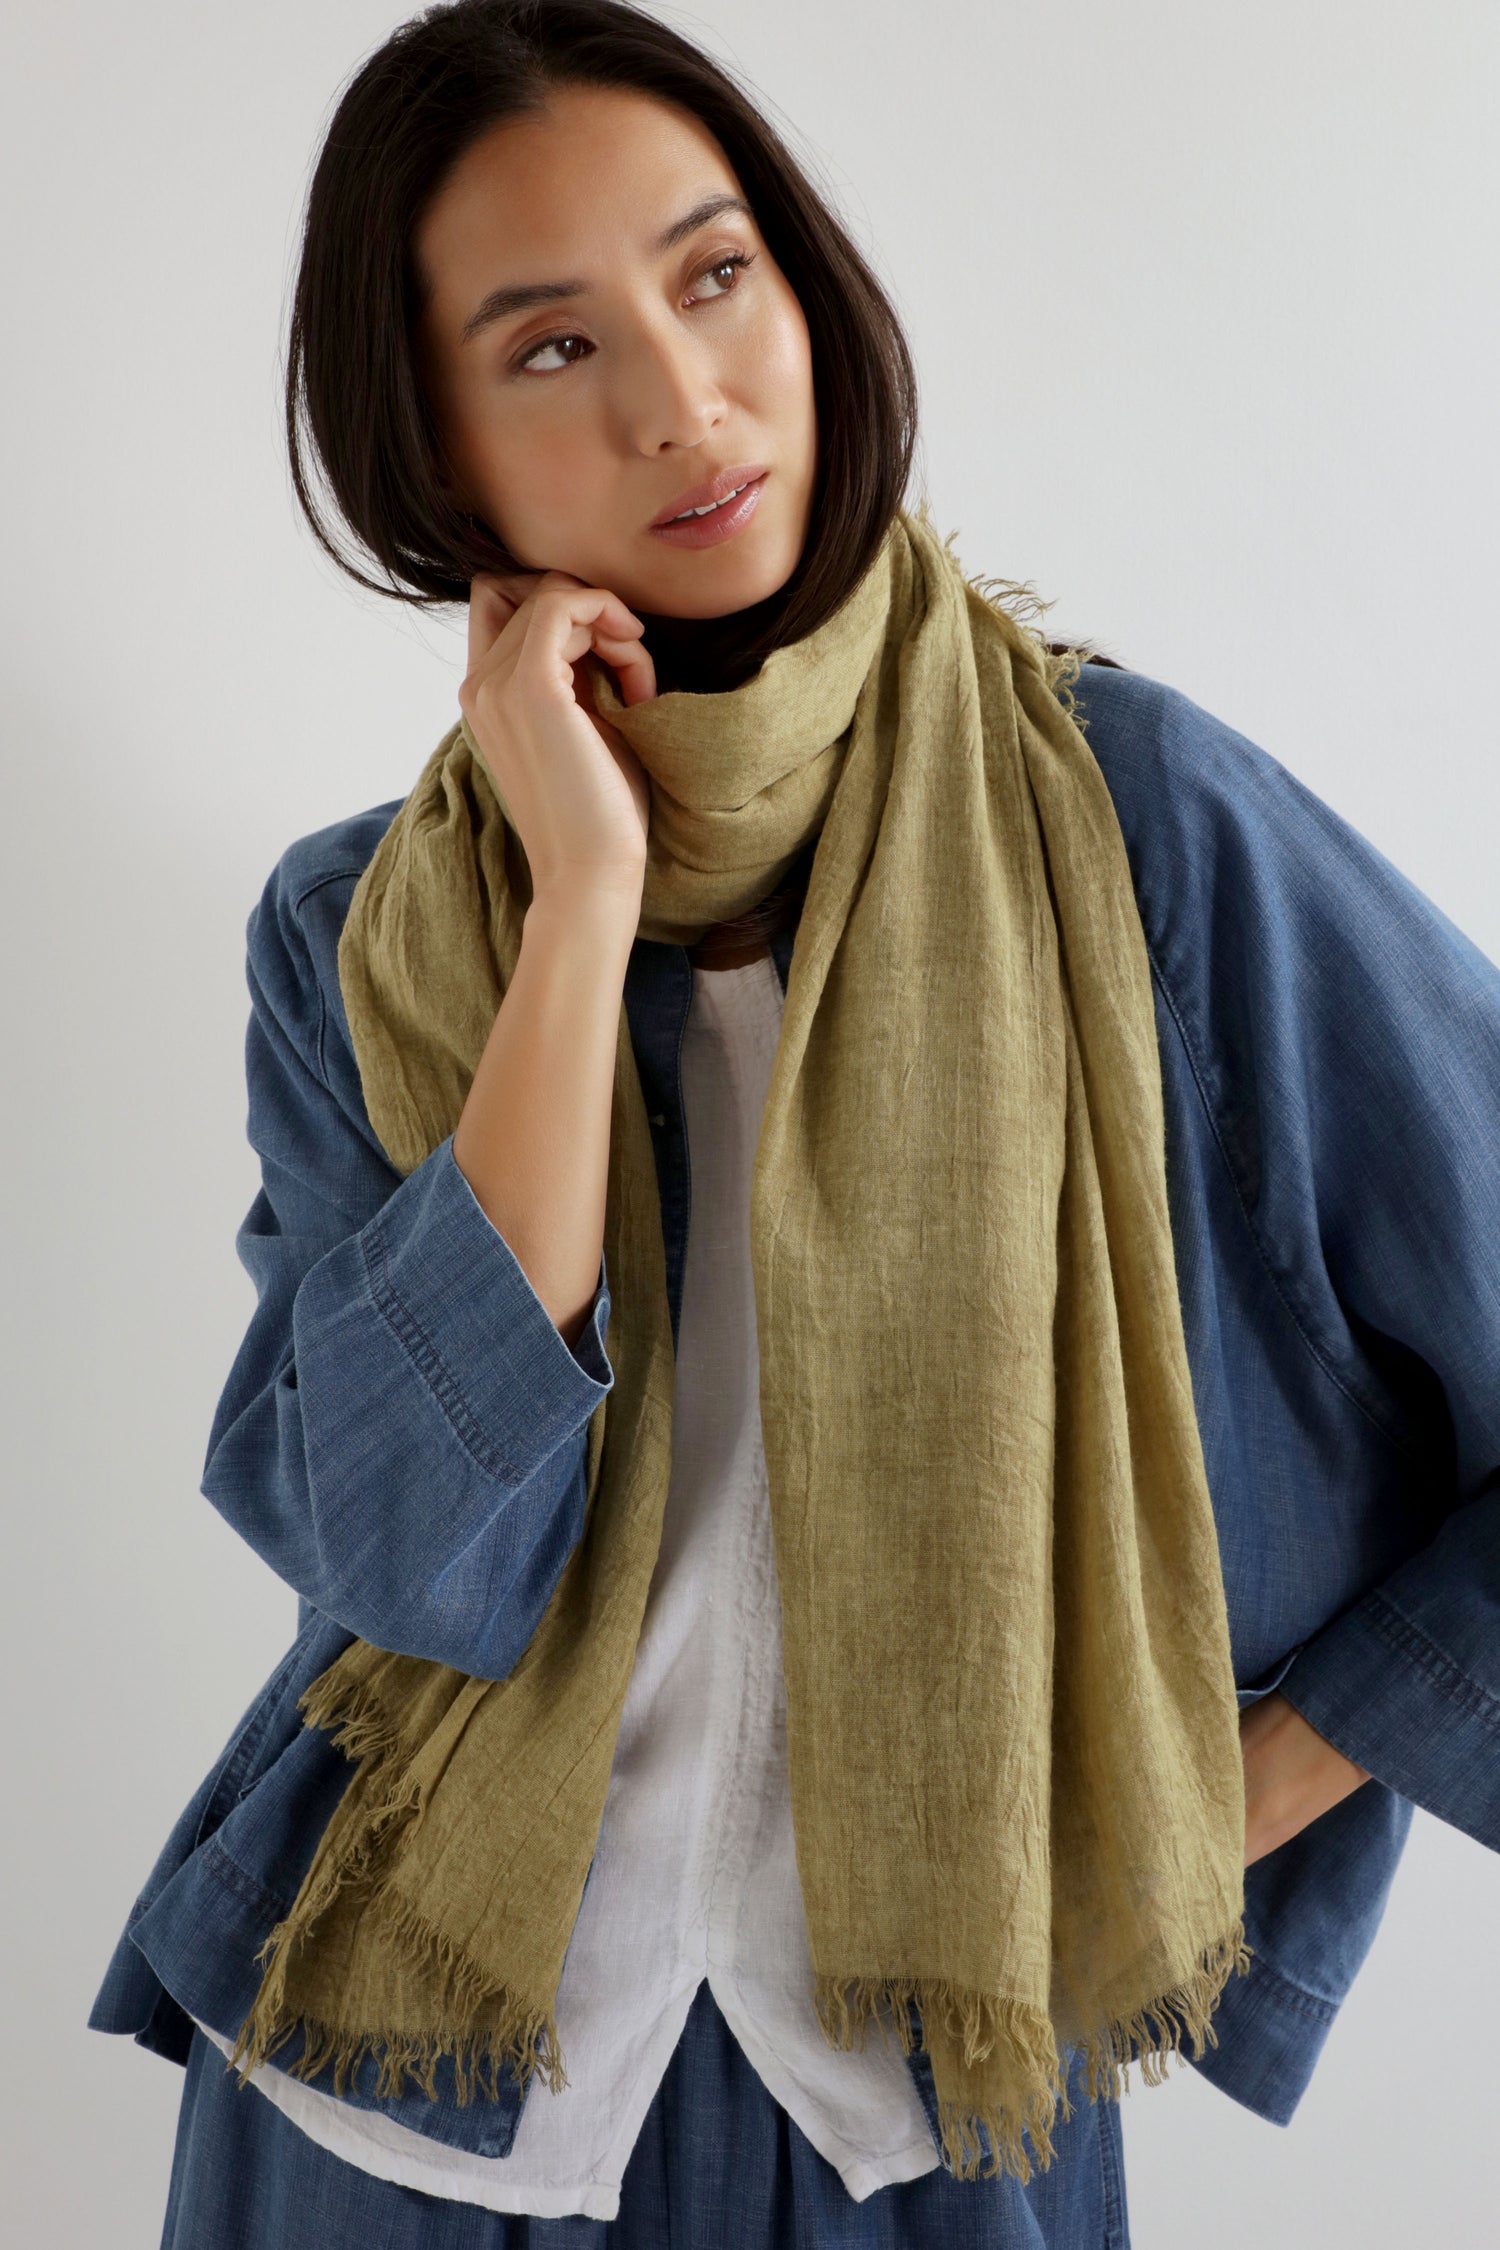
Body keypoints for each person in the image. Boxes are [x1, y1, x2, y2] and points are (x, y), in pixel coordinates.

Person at [88, 3, 1500, 2246]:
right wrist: (576, 915)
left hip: (926, 2118)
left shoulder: (1140, 835)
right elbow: (411, 1560)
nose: (679, 397)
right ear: (433, 449)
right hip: (394, 2103)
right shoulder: (362, 931)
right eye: (549, 348)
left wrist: (1221, 1795)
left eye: (713, 273)